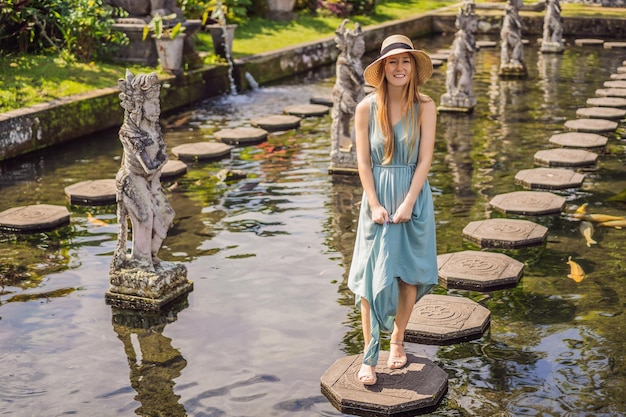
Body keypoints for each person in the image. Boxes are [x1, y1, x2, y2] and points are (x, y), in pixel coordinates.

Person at [348, 34, 438, 386]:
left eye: (405, 61)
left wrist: (409, 202)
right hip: (377, 197)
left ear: (413, 67)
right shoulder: (366, 108)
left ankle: (397, 341)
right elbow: (363, 161)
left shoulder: (426, 106)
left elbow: (426, 157)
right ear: (383, 68)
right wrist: (373, 202)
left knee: (407, 275)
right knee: (370, 277)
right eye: (392, 62)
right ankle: (370, 354)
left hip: (413, 196)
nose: (399, 67)